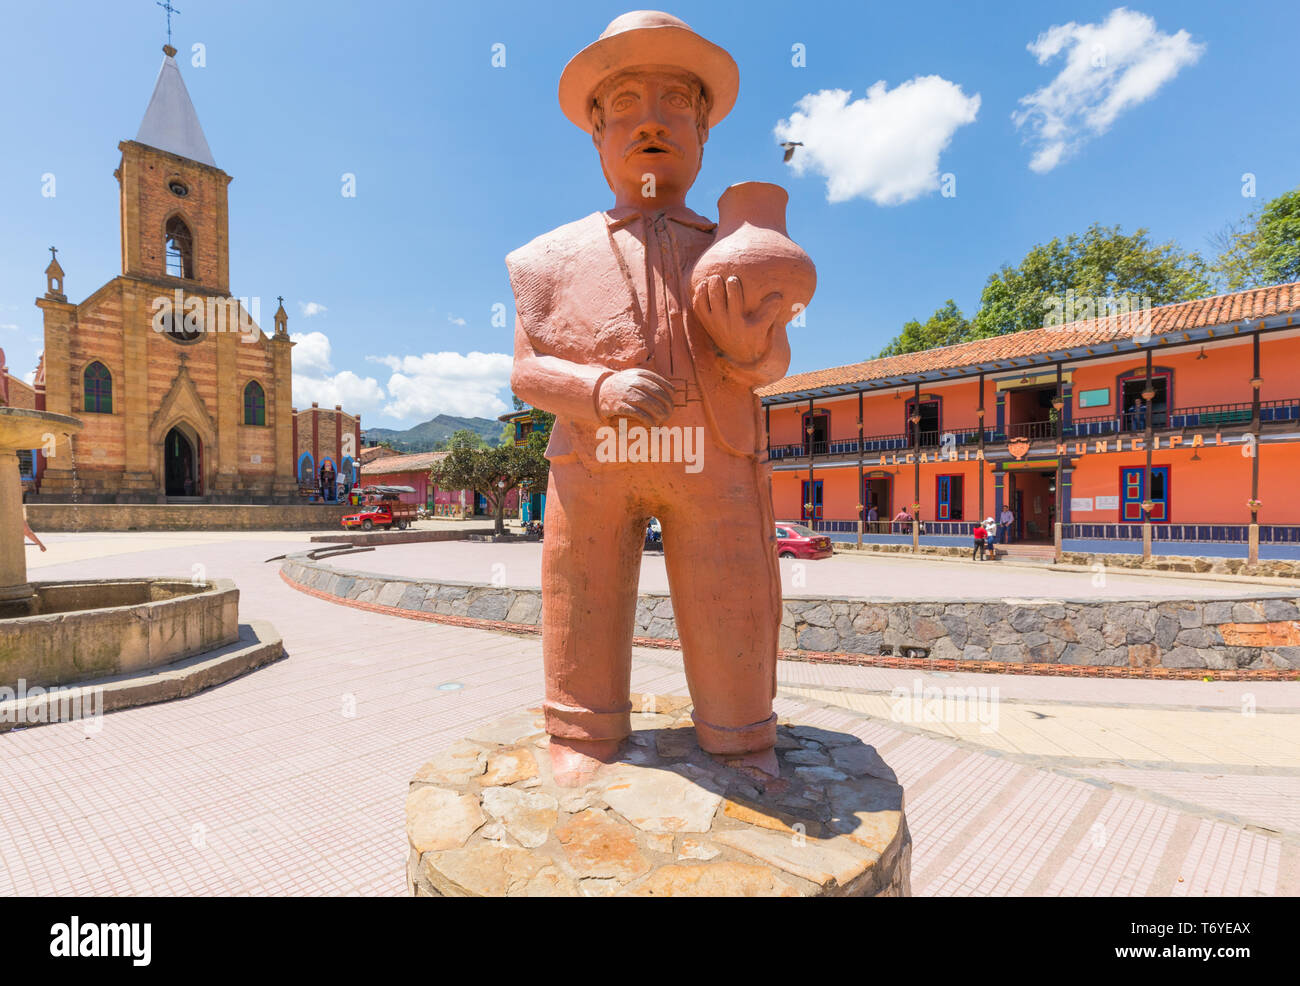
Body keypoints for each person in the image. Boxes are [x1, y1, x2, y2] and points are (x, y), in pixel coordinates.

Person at [507, 11, 804, 783]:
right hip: (593, 456)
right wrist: (598, 386)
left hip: (715, 457)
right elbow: (526, 373)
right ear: (597, 133)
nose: (652, 122)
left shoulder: (734, 252)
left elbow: (773, 362)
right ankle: (582, 731)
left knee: (732, 595)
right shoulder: (546, 260)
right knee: (584, 592)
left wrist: (749, 347)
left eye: (676, 102)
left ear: (704, 133)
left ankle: (741, 735)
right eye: (628, 104)